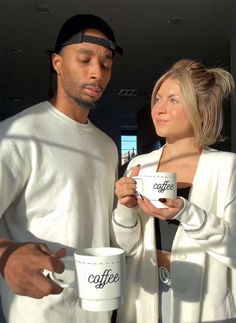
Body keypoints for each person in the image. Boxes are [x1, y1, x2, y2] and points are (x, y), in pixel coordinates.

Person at [0, 13, 122, 323]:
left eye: (106, 63)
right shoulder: (18, 135)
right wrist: (5, 255)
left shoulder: (107, 147)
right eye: (85, 59)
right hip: (38, 313)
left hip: (98, 310)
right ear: (57, 63)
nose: (97, 72)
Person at [111, 59, 236, 323]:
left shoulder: (226, 167)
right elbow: (126, 246)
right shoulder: (139, 164)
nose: (159, 109)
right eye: (157, 99)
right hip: (143, 302)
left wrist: (188, 213)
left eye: (173, 100)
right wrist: (124, 210)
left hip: (203, 306)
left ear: (201, 111)